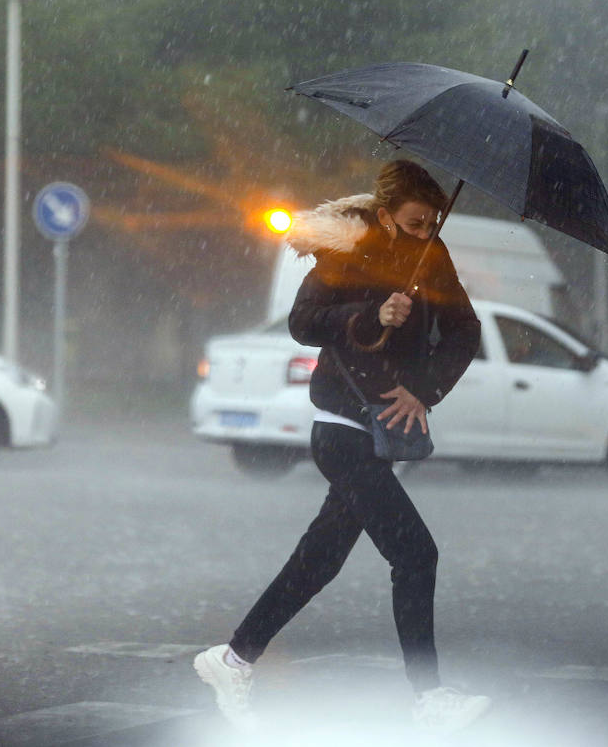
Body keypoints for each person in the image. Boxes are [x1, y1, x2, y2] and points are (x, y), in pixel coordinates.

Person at [194, 159, 488, 732]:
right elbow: (303, 321)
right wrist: (370, 312)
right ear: (385, 216)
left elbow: (466, 330)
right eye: (414, 222)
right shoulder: (351, 251)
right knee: (415, 554)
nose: (426, 232)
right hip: (340, 429)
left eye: (433, 223)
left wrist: (424, 392)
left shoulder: (434, 258)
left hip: (382, 431)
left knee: (319, 562)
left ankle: (232, 659)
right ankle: (429, 700)